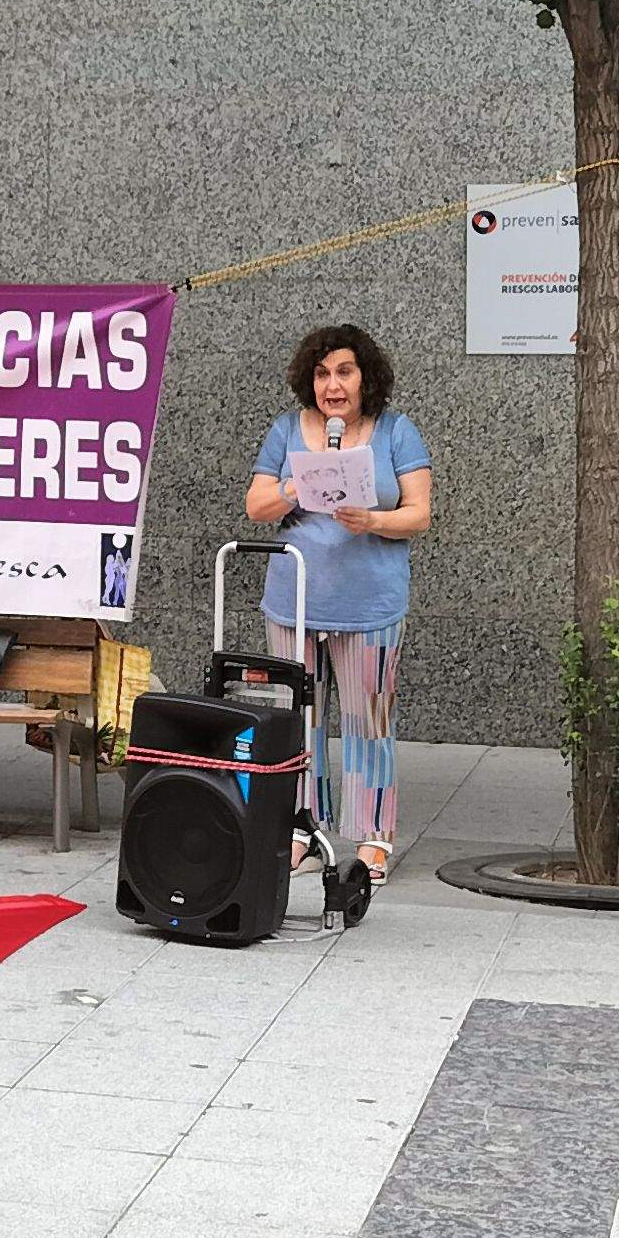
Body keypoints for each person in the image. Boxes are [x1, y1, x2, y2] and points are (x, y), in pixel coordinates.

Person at [240, 323, 434, 881]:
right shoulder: (287, 430)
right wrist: (296, 486)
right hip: (295, 601)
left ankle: (374, 837)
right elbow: (256, 506)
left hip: (370, 605)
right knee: (301, 721)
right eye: (323, 373)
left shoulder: (395, 432)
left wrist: (373, 519)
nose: (333, 385)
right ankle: (302, 827)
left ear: (365, 377)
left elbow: (419, 513)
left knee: (368, 720)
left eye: (344, 372)